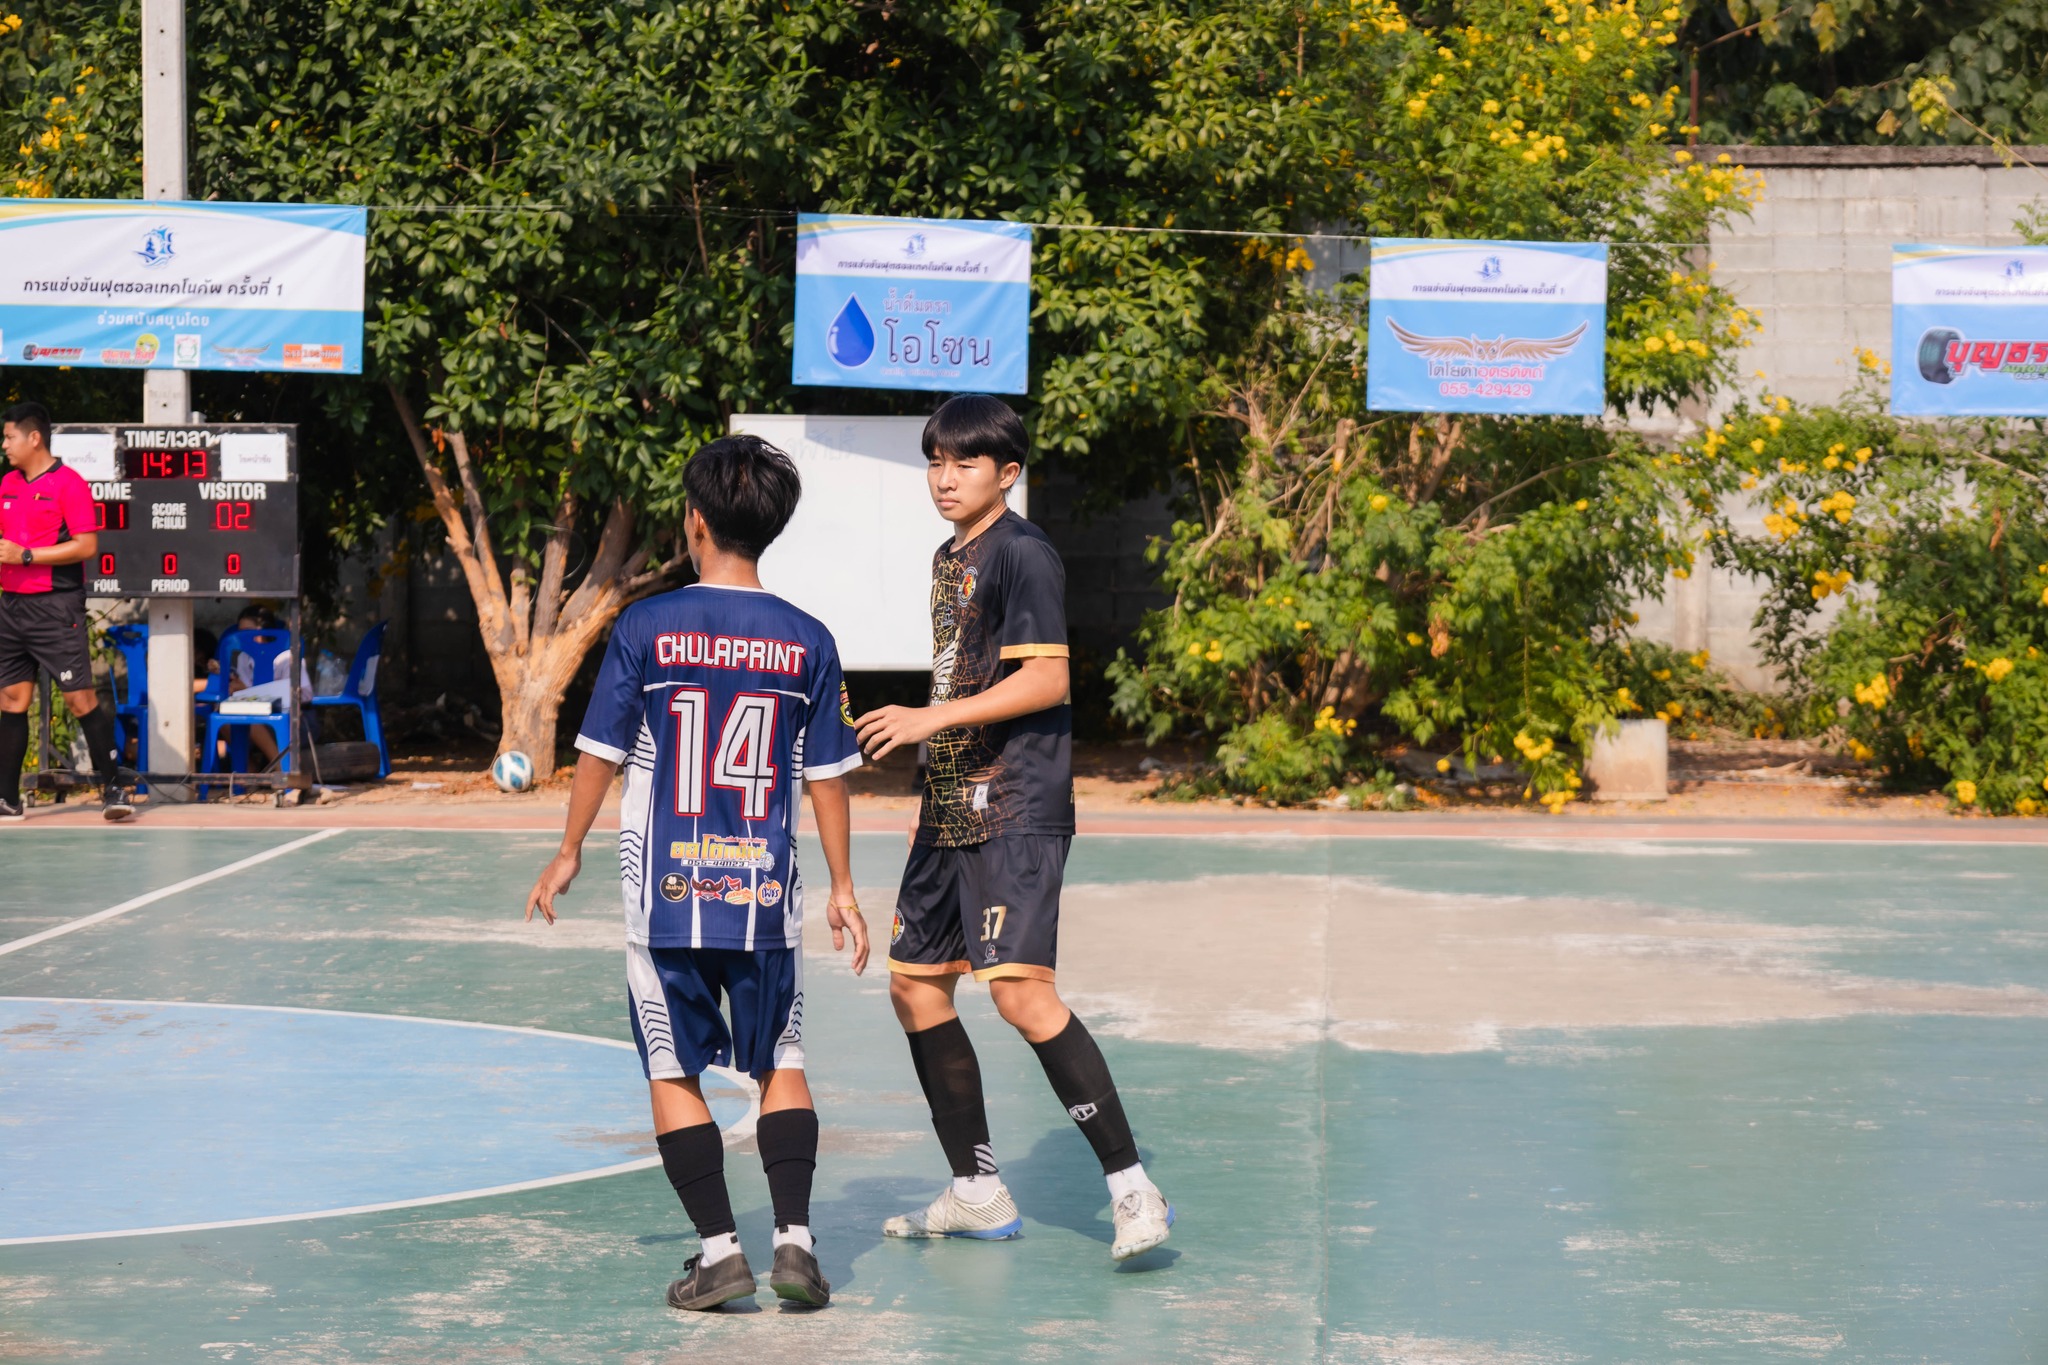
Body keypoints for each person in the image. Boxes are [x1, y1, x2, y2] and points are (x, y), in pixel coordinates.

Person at [523, 434, 868, 1312]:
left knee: (671, 1070)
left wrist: (568, 851)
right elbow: (824, 776)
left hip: (665, 898)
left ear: (696, 520)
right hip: (762, 896)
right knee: (782, 1057)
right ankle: (795, 1241)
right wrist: (845, 888)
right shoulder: (809, 640)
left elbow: (600, 751)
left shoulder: (646, 626)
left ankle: (721, 1252)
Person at [853, 394, 1174, 1262]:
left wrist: (927, 718)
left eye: (964, 462)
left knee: (1020, 994)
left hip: (1017, 802)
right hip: (949, 801)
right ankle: (976, 1189)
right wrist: (930, 737)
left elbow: (1047, 683)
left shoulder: (1024, 554)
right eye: (935, 461)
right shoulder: (948, 554)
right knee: (916, 986)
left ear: (1008, 472)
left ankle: (1134, 1189)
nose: (945, 477)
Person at [0, 401, 132, 821]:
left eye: (9, 436)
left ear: (33, 437)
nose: (5, 445)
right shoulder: (6, 483)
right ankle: (7, 799)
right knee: (11, 700)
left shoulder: (68, 483)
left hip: (56, 607)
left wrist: (26, 555)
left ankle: (114, 790)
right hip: (10, 608)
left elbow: (87, 546)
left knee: (79, 698)